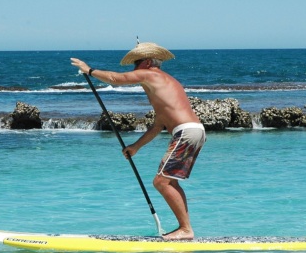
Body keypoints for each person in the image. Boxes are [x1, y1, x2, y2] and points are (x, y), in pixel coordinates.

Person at [71, 42, 206, 240]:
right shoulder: (164, 84)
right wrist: (135, 147)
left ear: (149, 62)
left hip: (186, 132)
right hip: (192, 131)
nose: (134, 69)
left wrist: (89, 70)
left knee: (161, 182)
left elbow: (115, 79)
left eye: (137, 63)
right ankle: (185, 228)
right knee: (168, 182)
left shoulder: (152, 74)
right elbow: (158, 125)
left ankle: (185, 229)